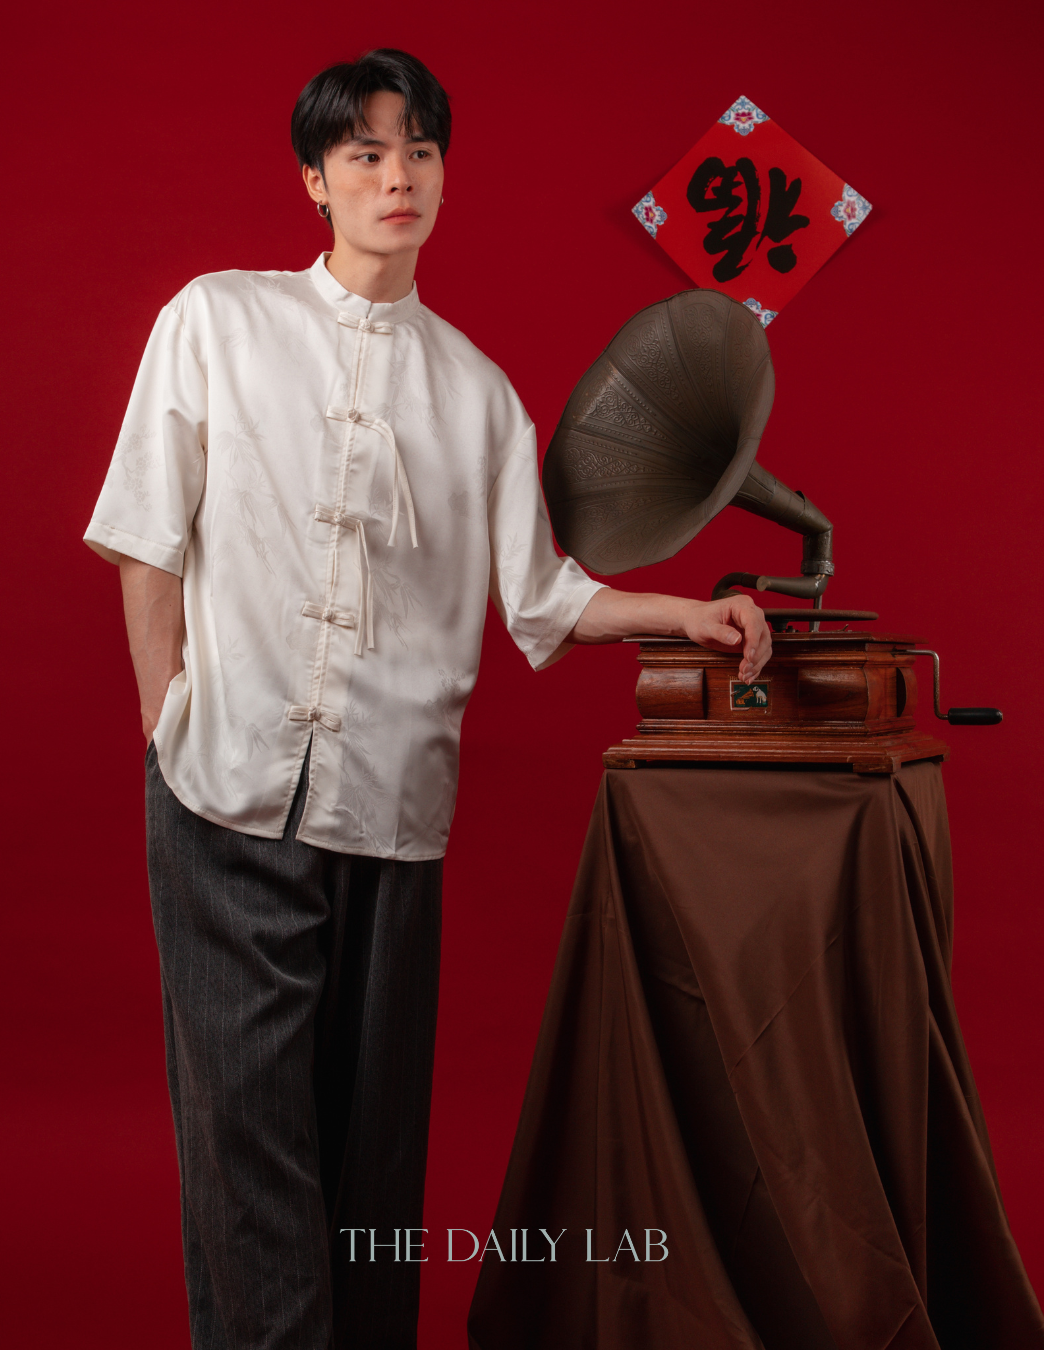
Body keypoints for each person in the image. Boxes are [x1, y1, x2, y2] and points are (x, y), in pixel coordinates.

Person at [84, 47, 771, 1350]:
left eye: (420, 152)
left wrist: (689, 610)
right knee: (252, 1154)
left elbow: (543, 599)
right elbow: (144, 531)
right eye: (365, 154)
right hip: (225, 791)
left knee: (371, 1165)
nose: (397, 177)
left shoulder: (479, 393)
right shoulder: (216, 321)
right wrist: (162, 713)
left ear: (443, 172)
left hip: (393, 815)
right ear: (314, 179)